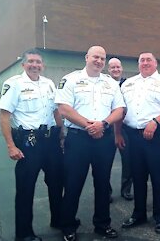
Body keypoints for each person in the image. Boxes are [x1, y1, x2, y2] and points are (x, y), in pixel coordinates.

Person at [55, 46, 125, 241]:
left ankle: (102, 224)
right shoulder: (71, 79)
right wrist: (89, 126)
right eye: (96, 57)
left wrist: (102, 124)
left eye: (102, 58)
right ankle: (68, 225)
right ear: (86, 57)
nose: (99, 61)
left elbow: (119, 109)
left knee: (103, 184)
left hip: (104, 139)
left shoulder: (111, 83)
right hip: (78, 139)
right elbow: (64, 108)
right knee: (73, 183)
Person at [0, 49, 64, 241]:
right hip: (29, 141)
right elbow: (4, 116)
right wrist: (11, 145)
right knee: (26, 188)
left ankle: (58, 219)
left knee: (57, 182)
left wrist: (61, 135)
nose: (35, 65)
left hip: (51, 140)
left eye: (38, 62)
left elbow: (56, 111)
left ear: (43, 65)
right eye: (31, 62)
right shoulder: (14, 84)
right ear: (23, 65)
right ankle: (24, 234)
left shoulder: (49, 84)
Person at [119, 52, 160, 234]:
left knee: (159, 178)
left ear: (156, 63)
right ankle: (139, 214)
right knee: (137, 177)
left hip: (158, 135)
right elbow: (121, 110)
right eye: (142, 60)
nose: (145, 63)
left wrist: (155, 122)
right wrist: (117, 133)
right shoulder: (128, 83)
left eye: (149, 60)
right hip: (133, 136)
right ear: (138, 64)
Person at [107, 57, 133, 202]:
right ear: (108, 69)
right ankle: (106, 191)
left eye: (118, 67)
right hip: (107, 126)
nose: (116, 70)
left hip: (124, 127)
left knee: (128, 159)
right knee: (106, 161)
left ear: (121, 68)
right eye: (112, 67)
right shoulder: (104, 84)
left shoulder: (128, 84)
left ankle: (126, 189)